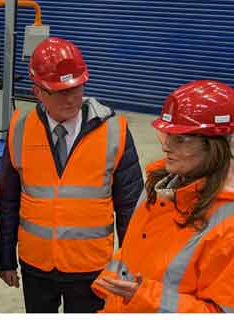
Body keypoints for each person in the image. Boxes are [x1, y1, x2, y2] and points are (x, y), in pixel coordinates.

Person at [0, 37, 144, 313]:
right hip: (36, 266)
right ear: (36, 91)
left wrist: (128, 270)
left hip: (91, 268)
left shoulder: (115, 131)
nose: (71, 98)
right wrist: (5, 257)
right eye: (59, 91)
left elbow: (131, 212)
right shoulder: (20, 128)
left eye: (76, 88)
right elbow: (8, 200)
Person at [92, 79, 234, 313]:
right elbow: (133, 254)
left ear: (214, 146)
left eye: (181, 139)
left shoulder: (227, 223)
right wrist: (113, 289)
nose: (166, 146)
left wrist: (145, 296)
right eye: (167, 134)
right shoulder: (158, 186)